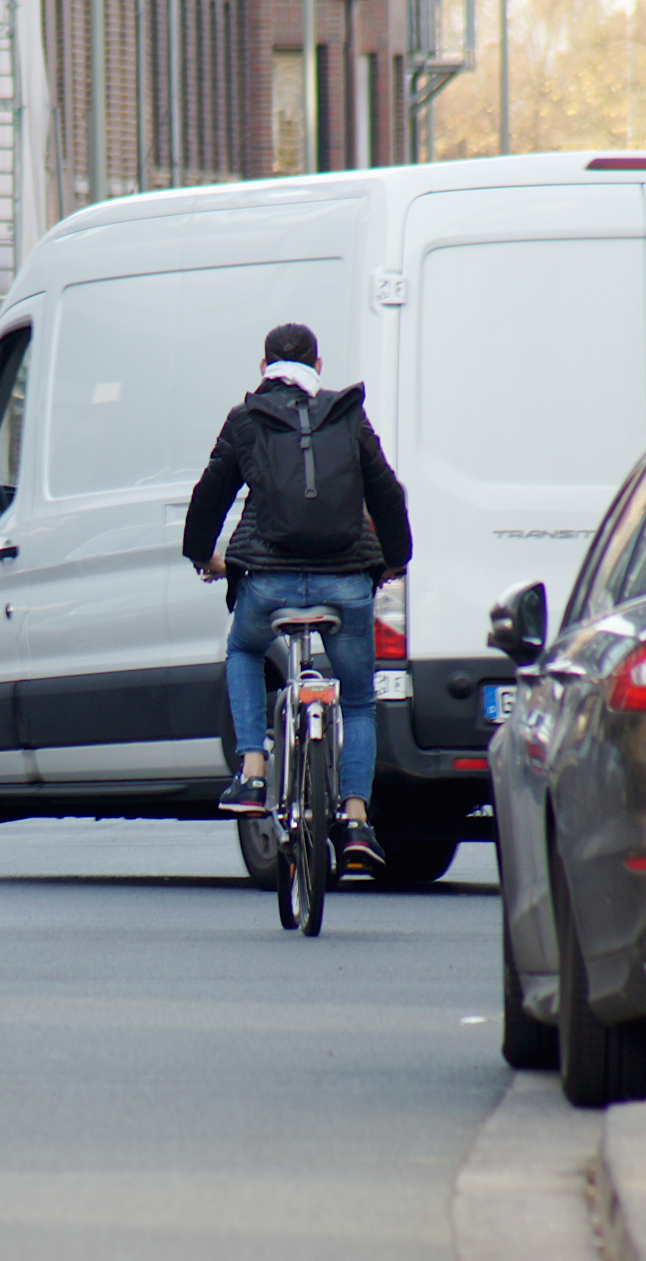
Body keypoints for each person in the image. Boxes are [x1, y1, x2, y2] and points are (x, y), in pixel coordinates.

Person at [181, 322, 412, 863]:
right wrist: (395, 560)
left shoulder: (246, 419)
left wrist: (203, 556)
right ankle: (355, 821)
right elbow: (385, 489)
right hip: (346, 582)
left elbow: (212, 490)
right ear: (319, 367)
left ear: (264, 370)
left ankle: (254, 773)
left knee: (243, 649)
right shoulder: (347, 414)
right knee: (356, 700)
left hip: (266, 582)